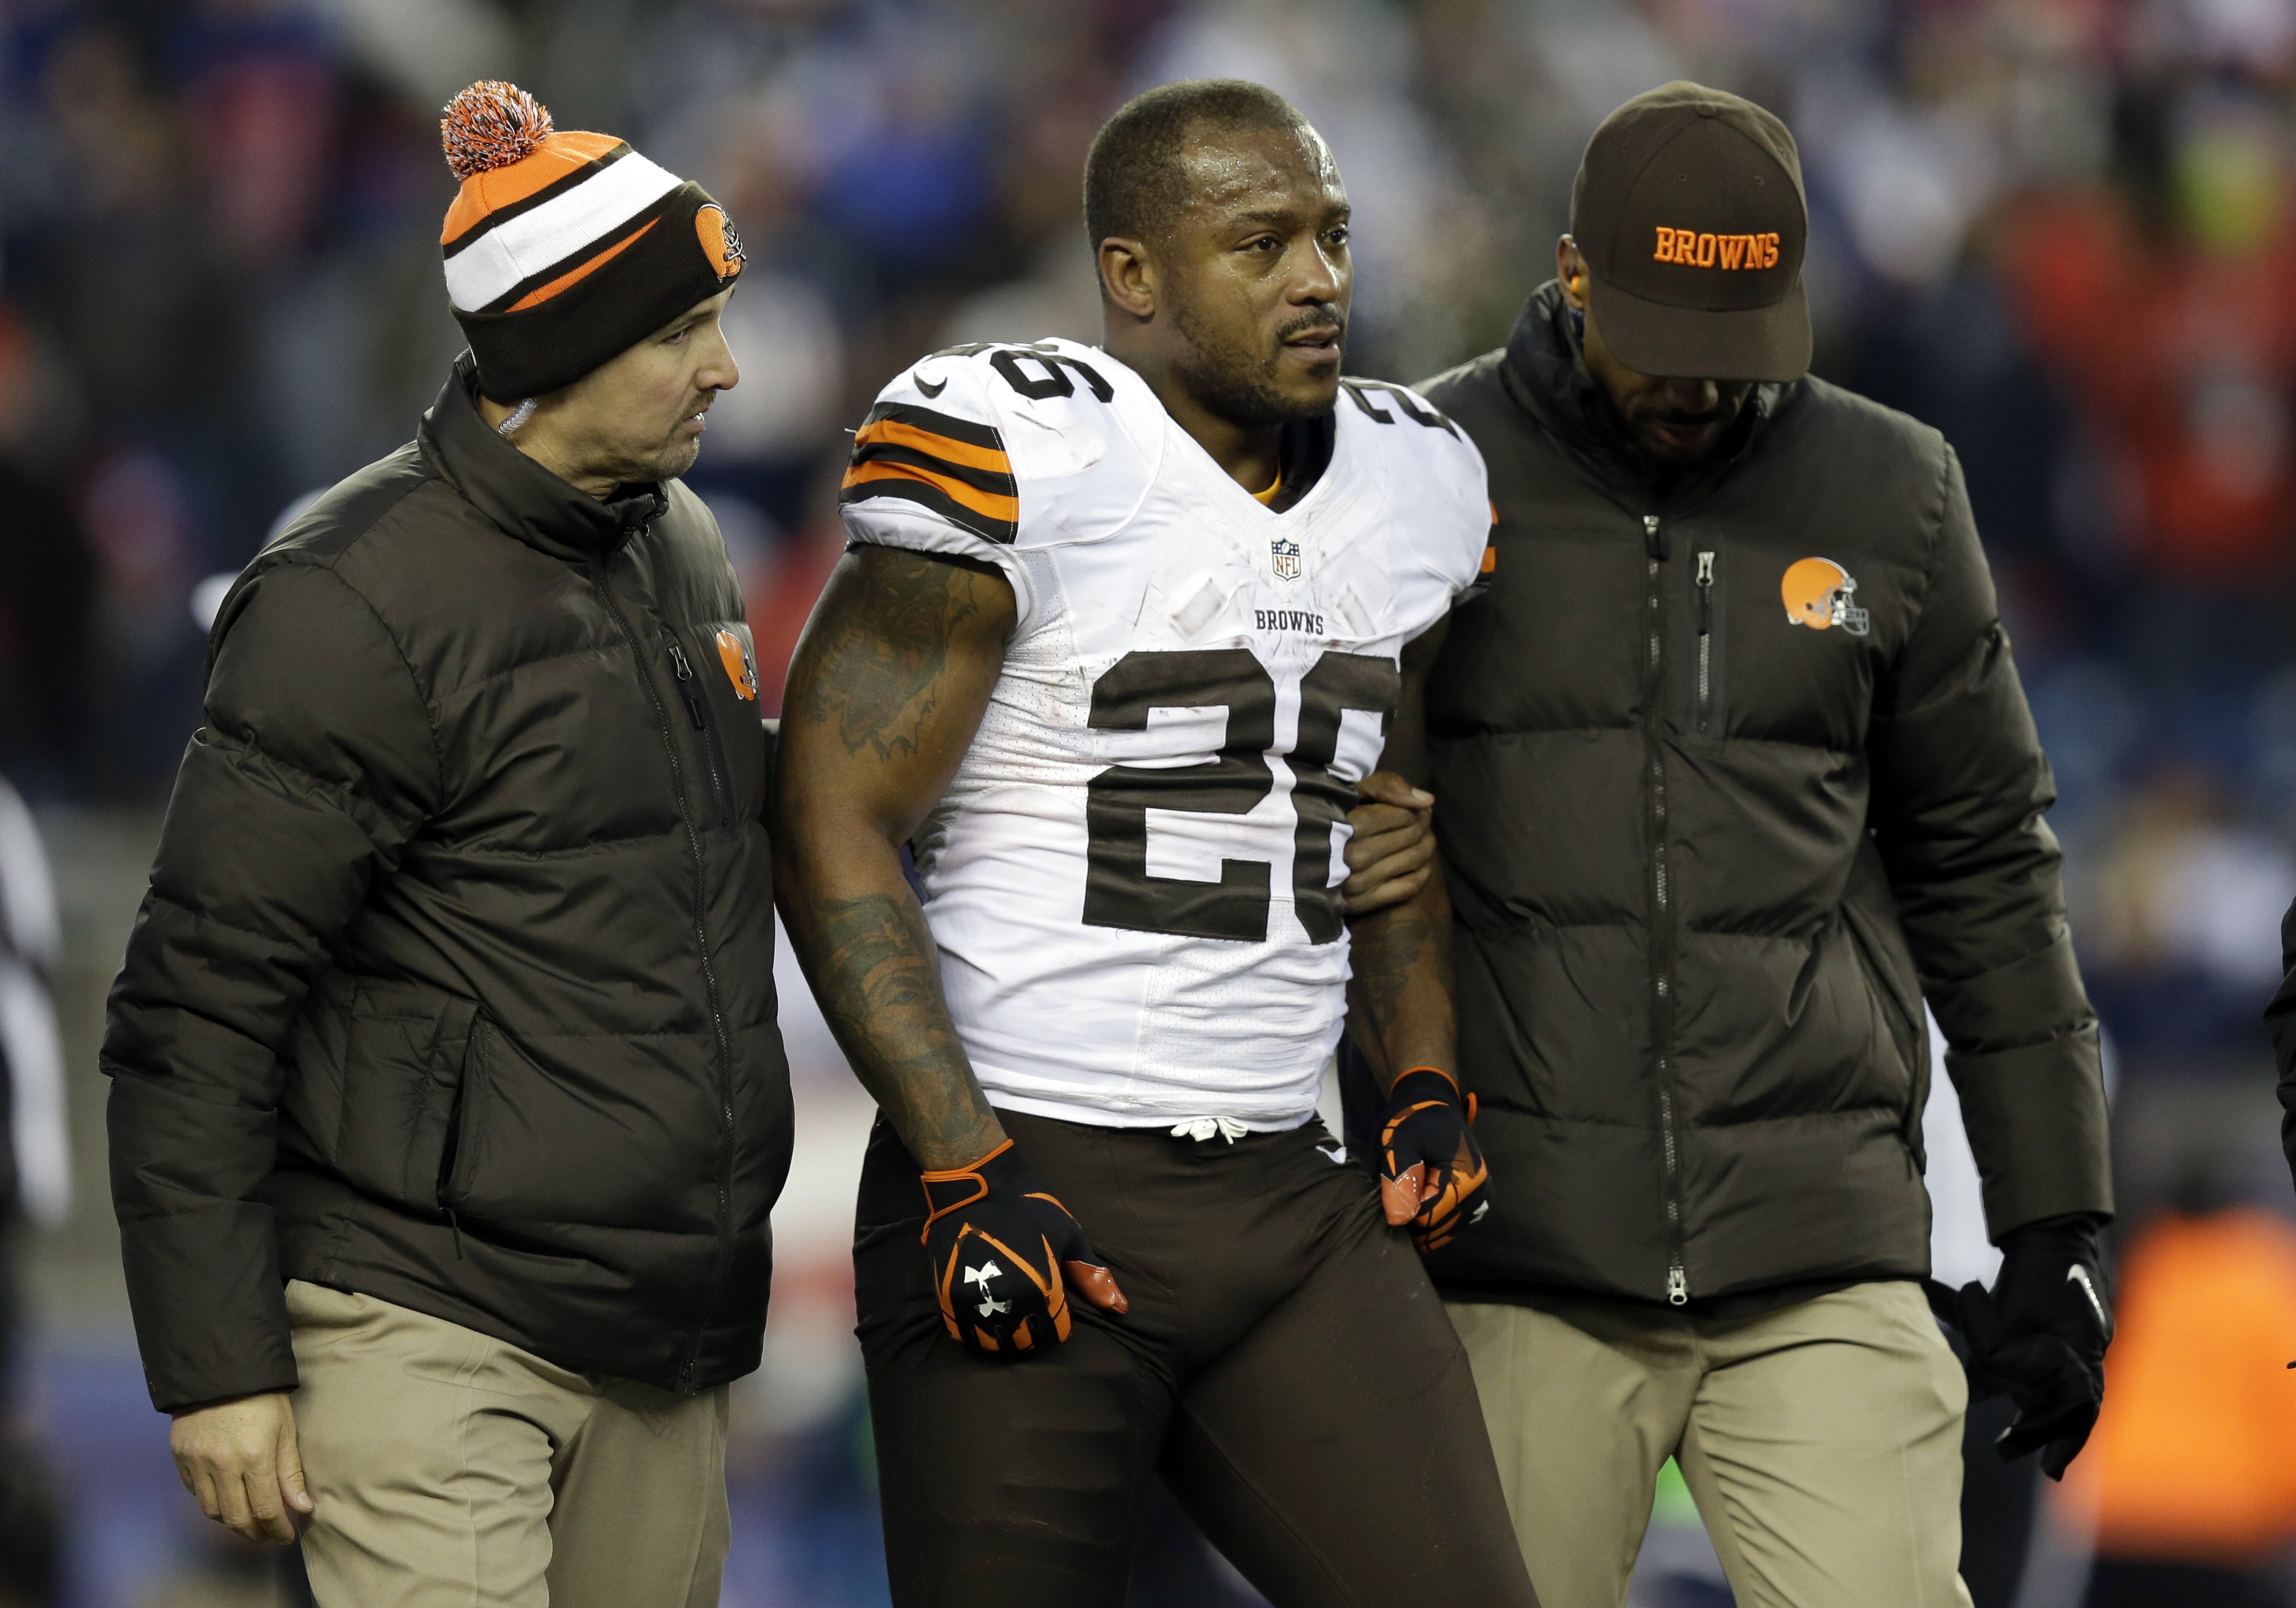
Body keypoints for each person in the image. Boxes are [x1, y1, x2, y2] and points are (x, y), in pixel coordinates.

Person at [775, 79, 1538, 1608]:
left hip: (1292, 1194)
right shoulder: (1023, 448)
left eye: (1329, 234)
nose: (1320, 276)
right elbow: (827, 810)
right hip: (1036, 1162)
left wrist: (1429, 1080)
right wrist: (958, 1163)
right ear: (1132, 277)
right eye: (1261, 244)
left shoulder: (1417, 482)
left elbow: (1385, 827)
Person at [1358, 81, 2115, 1608]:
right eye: (1666, 342)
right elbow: (1354, 862)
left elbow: (1985, 865)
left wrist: (2054, 1221)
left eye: (1740, 347)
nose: (1703, 388)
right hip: (1517, 1253)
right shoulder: (1415, 472)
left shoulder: (1896, 490)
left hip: (1820, 1245)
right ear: (1573, 273)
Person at [101, 81, 788, 1608]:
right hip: (422, 1321)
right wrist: (217, 1366)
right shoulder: (353, 598)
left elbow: (714, 832)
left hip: (665, 1333)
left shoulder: (683, 540)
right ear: (554, 350)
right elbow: (196, 1006)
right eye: (683, 333)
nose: (726, 371)